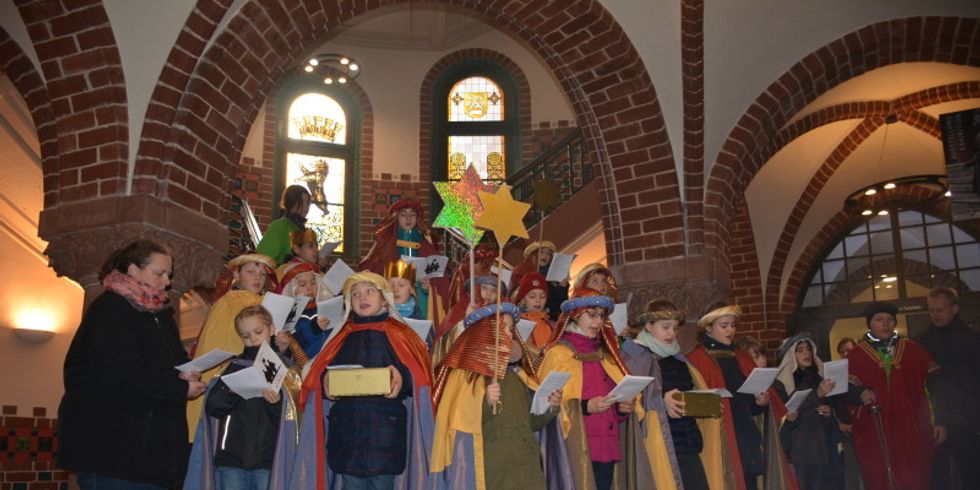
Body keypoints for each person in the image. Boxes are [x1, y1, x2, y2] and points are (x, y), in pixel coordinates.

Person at [59, 239, 206, 489]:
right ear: (133, 270)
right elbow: (119, 370)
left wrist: (188, 371)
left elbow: (171, 362)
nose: (167, 282)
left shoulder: (160, 315)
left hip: (150, 457)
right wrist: (179, 389)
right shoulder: (110, 308)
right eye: (159, 273)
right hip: (113, 452)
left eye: (169, 275)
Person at [293, 271, 434, 490]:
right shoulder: (341, 336)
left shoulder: (400, 334)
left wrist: (402, 379)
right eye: (356, 294)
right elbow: (318, 373)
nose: (362, 298)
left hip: (385, 434)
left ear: (384, 300)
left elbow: (419, 377)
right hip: (346, 436)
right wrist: (326, 382)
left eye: (369, 291)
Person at [430, 302, 562, 489]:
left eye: (511, 328)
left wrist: (550, 406)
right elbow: (459, 431)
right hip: (494, 473)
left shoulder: (514, 377)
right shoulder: (467, 377)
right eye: (505, 328)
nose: (510, 333)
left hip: (527, 470)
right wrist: (485, 402)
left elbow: (530, 422)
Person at [184, 306, 303, 490]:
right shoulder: (231, 367)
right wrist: (233, 390)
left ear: (271, 329)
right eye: (246, 336)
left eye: (258, 332)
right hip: (231, 459)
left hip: (268, 459)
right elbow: (213, 408)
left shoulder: (286, 369)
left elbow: (293, 420)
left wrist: (275, 404)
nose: (253, 339)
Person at [686, 302, 796, 490]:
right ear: (708, 328)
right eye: (724, 325)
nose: (730, 330)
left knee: (751, 481)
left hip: (747, 436)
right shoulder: (696, 360)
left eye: (733, 325)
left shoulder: (741, 357)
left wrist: (760, 403)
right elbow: (692, 405)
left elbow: (749, 404)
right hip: (720, 438)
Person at [536, 288, 636, 490]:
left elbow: (614, 396)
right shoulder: (558, 354)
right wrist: (585, 406)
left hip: (606, 446)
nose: (598, 322)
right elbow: (544, 405)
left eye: (601, 316)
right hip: (574, 446)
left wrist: (620, 408)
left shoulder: (605, 355)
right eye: (591, 315)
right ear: (574, 316)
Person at [850, 302, 945, 490]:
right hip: (874, 428)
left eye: (890, 319)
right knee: (880, 477)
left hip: (912, 426)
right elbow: (847, 392)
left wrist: (940, 420)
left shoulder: (914, 350)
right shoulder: (856, 355)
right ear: (870, 324)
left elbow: (937, 388)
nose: (885, 324)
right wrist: (859, 394)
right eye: (879, 320)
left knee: (914, 474)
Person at [187, 253, 278, 441]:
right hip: (235, 378)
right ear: (236, 275)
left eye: (262, 274)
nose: (257, 278)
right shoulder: (228, 303)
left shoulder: (268, 303)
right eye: (251, 272)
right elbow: (216, 343)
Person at [620, 299, 710, 490]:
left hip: (687, 441)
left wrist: (705, 403)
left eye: (675, 328)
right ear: (648, 326)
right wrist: (661, 401)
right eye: (666, 327)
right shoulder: (635, 357)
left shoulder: (678, 359)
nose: (672, 333)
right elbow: (628, 399)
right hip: (657, 442)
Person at [773, 333, 875, 490]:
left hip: (827, 445)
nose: (807, 353)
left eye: (808, 349)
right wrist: (817, 394)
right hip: (803, 451)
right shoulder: (782, 382)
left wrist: (860, 394)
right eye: (800, 350)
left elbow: (841, 389)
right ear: (790, 355)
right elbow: (787, 411)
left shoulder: (817, 375)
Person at [914, 287, 980, 490]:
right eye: (931, 310)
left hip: (968, 418)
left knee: (971, 473)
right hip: (934, 418)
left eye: (940, 309)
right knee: (937, 476)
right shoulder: (921, 342)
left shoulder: (972, 339)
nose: (935, 314)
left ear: (954, 308)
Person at [359, 198, 448, 323]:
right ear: (396, 217)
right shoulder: (386, 244)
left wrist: (429, 287)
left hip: (419, 305)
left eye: (412, 215)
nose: (408, 219)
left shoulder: (426, 245)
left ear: (417, 218)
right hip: (391, 300)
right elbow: (371, 274)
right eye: (403, 215)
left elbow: (439, 282)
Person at [275, 260, 330, 363]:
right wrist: (314, 328)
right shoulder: (291, 313)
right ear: (292, 289)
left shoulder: (323, 306)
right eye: (303, 284)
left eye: (313, 283)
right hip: (309, 362)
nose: (309, 287)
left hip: (329, 357)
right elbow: (296, 340)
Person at [509, 241, 570, 320]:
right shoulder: (521, 272)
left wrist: (562, 286)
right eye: (541, 252)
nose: (545, 256)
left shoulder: (553, 279)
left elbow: (560, 306)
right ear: (533, 254)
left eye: (548, 254)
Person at [257, 185, 312, 265]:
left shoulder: (302, 229)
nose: (306, 206)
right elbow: (262, 259)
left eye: (308, 202)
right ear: (291, 203)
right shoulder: (279, 226)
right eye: (302, 201)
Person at [512, 272, 555, 348]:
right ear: (522, 300)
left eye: (542, 296)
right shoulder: (515, 322)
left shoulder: (552, 325)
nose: (538, 300)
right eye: (532, 296)